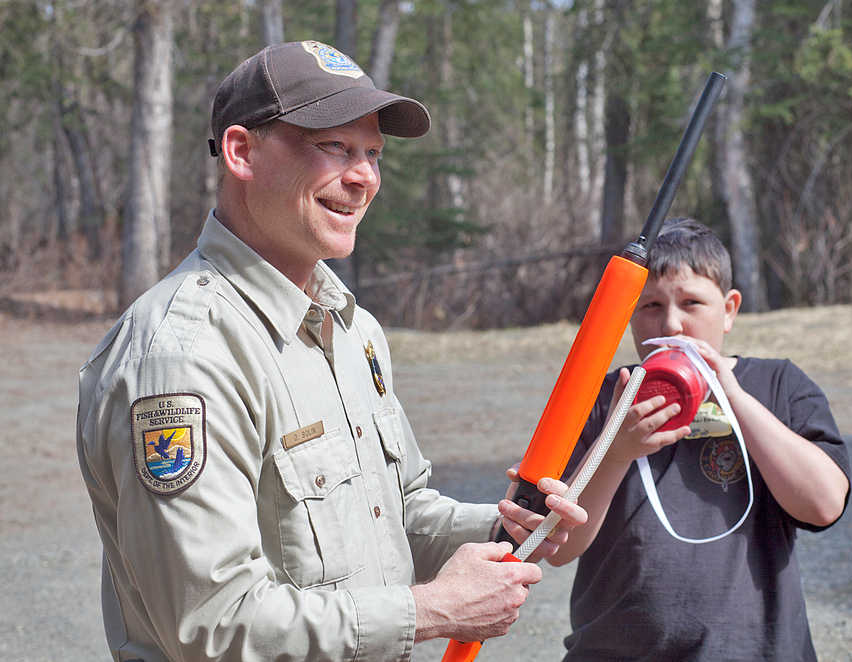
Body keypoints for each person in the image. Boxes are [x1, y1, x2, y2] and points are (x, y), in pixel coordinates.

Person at [76, 40, 585, 662]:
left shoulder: (352, 329)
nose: (364, 175)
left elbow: (396, 510)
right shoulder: (183, 356)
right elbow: (212, 623)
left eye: (372, 152)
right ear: (241, 152)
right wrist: (432, 609)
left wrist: (504, 529)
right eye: (333, 147)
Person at [547, 218, 851, 661]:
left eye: (692, 303)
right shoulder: (601, 400)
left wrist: (732, 395)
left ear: (729, 310)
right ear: (629, 313)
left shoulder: (778, 384)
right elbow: (559, 548)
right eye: (649, 306)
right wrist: (615, 453)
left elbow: (823, 506)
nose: (671, 324)